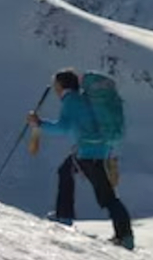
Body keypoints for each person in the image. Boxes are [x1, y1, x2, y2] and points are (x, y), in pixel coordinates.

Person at [27, 68, 134, 249]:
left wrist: (39, 124)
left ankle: (124, 236)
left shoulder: (71, 101)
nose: (55, 89)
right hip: (98, 150)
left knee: (107, 197)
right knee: (66, 171)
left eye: (56, 85)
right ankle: (65, 215)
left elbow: (63, 127)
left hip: (89, 153)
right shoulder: (84, 99)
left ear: (61, 85)